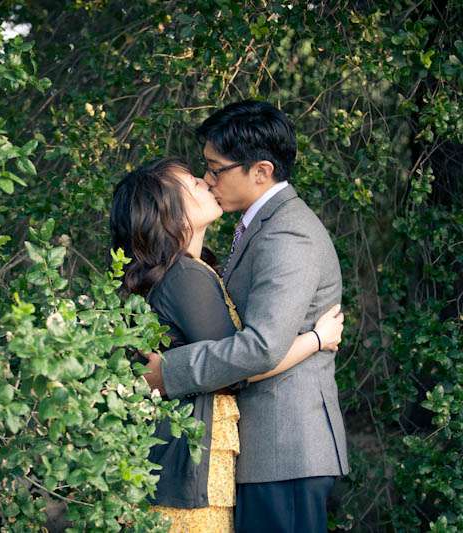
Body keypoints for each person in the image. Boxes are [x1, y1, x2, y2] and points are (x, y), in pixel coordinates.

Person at [142, 101, 349, 533]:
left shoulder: (287, 231)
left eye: (216, 170)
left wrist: (170, 373)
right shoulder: (261, 225)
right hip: (265, 453)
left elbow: (262, 346)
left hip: (285, 449)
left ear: (260, 171)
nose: (208, 179)